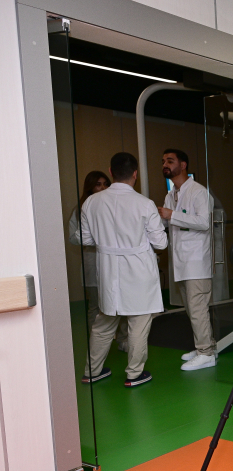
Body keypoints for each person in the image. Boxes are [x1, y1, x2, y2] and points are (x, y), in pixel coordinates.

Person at [80, 152, 168, 387]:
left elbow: (86, 239)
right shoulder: (144, 204)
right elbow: (161, 243)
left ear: (111, 172)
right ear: (135, 174)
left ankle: (92, 371)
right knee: (138, 323)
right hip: (139, 270)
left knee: (104, 322)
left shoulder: (91, 202)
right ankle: (134, 374)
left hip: (108, 269)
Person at [158, 149, 217, 371]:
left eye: (170, 161)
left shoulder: (198, 192)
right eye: (163, 161)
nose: (165, 164)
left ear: (183, 165)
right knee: (193, 309)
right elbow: (169, 224)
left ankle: (206, 353)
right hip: (181, 262)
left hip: (196, 262)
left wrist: (171, 215)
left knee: (198, 308)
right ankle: (206, 346)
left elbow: (204, 222)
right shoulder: (171, 194)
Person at [68, 170, 111, 331]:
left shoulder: (114, 206)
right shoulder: (80, 210)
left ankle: (122, 340)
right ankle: (95, 340)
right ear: (90, 187)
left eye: (106, 184)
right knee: (95, 304)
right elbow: (72, 238)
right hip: (92, 260)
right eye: (98, 184)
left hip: (113, 261)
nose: (103, 188)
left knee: (118, 303)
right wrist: (94, 237)